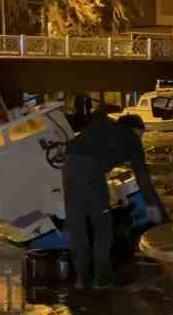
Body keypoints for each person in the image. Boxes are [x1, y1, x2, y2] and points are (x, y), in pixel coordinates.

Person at [63, 110, 166, 289]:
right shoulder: (131, 139)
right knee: (102, 225)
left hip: (69, 168)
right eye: (141, 134)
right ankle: (101, 279)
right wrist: (152, 206)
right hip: (92, 171)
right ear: (135, 130)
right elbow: (142, 176)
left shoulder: (103, 126)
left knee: (77, 225)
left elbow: (83, 142)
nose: (141, 138)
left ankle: (81, 278)